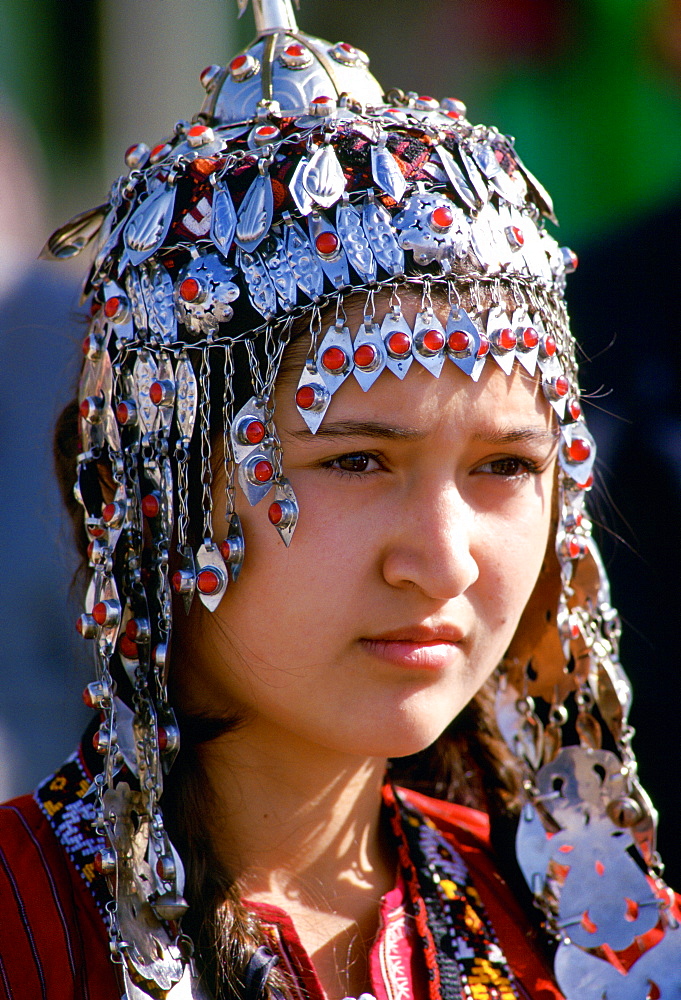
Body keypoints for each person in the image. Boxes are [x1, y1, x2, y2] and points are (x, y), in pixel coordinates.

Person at [1, 2, 678, 999]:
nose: (443, 560)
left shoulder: (593, 946)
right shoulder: (27, 926)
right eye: (358, 462)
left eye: (505, 468)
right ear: (155, 489)